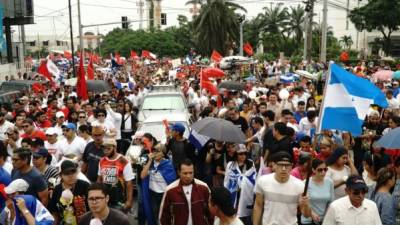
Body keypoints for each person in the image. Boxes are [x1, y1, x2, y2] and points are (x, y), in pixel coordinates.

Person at [253, 151, 311, 225]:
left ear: (292, 166)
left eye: (287, 165)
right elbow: (258, 205)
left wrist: (306, 205)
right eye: (281, 165)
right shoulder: (263, 181)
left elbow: (306, 215)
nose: (284, 169)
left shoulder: (300, 185)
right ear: (274, 165)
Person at [159, 159, 213, 225]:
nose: (188, 176)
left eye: (191, 173)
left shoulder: (203, 187)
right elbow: (164, 216)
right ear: (179, 172)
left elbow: (211, 212)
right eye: (185, 173)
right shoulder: (170, 190)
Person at [140, 143, 176, 225]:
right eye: (153, 150)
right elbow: (142, 176)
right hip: (153, 194)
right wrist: (149, 161)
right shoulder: (151, 164)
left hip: (164, 194)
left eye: (157, 151)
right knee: (154, 214)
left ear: (163, 153)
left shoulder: (168, 165)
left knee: (165, 215)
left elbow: (172, 181)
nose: (154, 153)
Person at [97, 138, 134, 211]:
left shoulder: (124, 161)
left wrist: (129, 201)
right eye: (104, 149)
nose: (105, 151)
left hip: (119, 200)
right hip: (105, 199)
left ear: (115, 148)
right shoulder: (102, 161)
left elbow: (129, 183)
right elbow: (99, 179)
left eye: (108, 149)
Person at [49, 160, 89, 225]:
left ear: (77, 172)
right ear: (61, 175)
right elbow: (55, 213)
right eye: (67, 173)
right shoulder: (57, 189)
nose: (70, 176)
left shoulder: (85, 186)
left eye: (73, 172)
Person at [223, 144, 256, 225]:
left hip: (246, 194)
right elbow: (227, 180)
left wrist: (242, 182)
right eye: (240, 154)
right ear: (236, 154)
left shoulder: (250, 163)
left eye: (245, 153)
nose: (243, 156)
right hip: (233, 194)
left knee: (245, 217)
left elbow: (253, 178)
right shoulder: (230, 165)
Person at [302, 159, 334, 225]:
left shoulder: (330, 182)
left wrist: (327, 216)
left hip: (324, 220)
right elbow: (304, 203)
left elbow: (331, 202)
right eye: (320, 170)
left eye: (325, 169)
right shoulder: (306, 183)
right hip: (308, 220)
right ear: (313, 170)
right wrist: (312, 213)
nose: (323, 172)